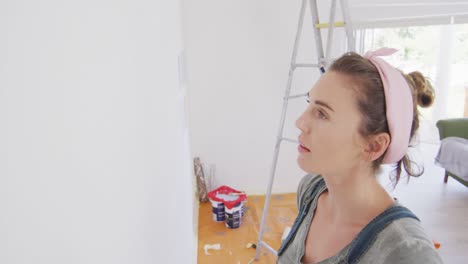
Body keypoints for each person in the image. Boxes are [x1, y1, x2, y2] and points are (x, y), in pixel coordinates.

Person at [276, 48, 443, 264]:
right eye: (310, 104)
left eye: (322, 113)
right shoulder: (310, 190)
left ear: (373, 146)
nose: (300, 122)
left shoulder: (407, 253)